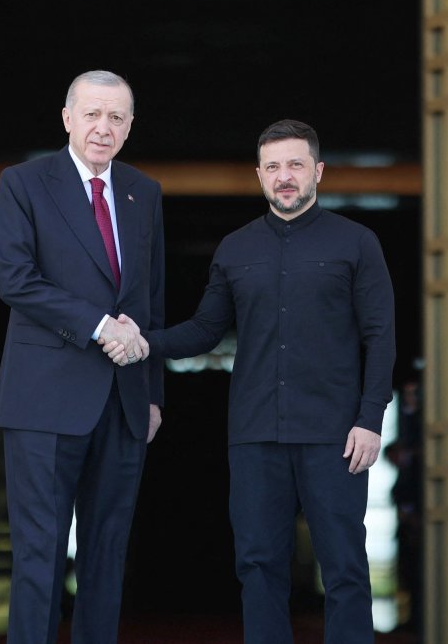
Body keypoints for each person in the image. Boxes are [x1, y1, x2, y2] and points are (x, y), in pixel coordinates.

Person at [112, 119, 394, 643]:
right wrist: (146, 340)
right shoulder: (235, 249)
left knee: (346, 568)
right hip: (254, 434)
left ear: (318, 172)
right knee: (258, 565)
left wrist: (370, 419)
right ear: (259, 175)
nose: (284, 177)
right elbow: (204, 330)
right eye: (273, 167)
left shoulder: (358, 243)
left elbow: (380, 336)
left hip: (335, 436)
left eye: (295, 165)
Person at [0, 70, 165, 644]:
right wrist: (98, 326)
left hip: (123, 401)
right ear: (66, 117)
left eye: (116, 117)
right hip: (44, 399)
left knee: (107, 555)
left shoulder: (144, 192)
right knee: (38, 557)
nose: (102, 128)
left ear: (130, 125)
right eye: (91, 114)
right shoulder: (24, 182)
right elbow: (15, 280)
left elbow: (150, 299)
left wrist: (154, 394)